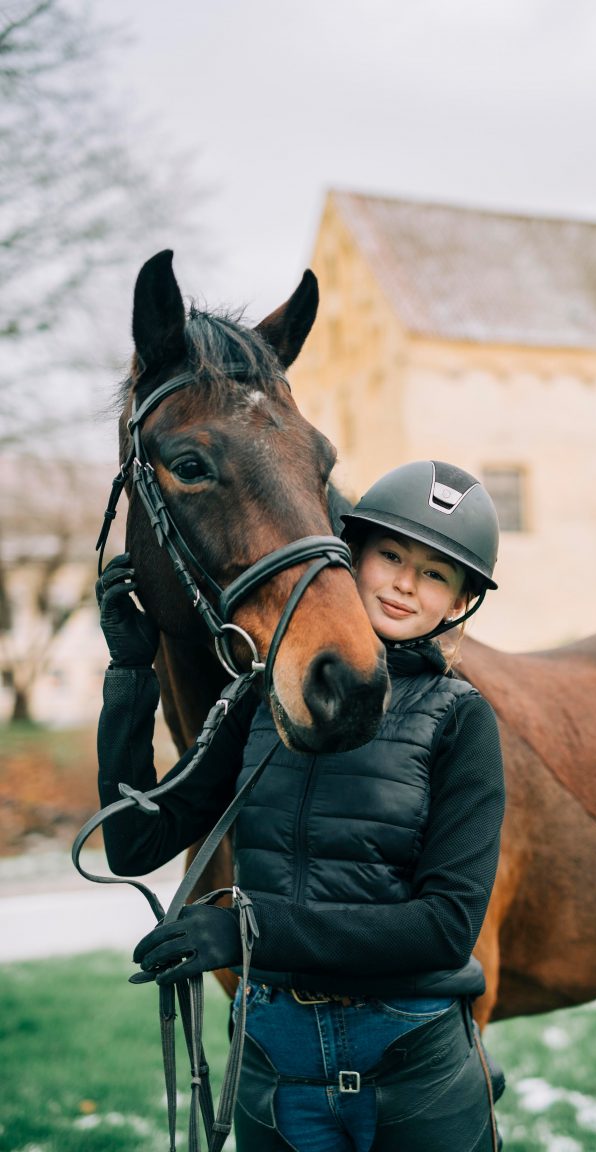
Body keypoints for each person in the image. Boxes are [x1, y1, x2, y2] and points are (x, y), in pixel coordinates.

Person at [96, 459, 506, 1152]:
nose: (408, 583)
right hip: (272, 1060)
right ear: (351, 556)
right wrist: (132, 674)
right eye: (393, 557)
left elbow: (444, 929)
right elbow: (133, 841)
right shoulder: (260, 699)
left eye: (437, 574)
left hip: (410, 1058)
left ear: (460, 602)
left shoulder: (462, 721)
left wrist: (245, 934)